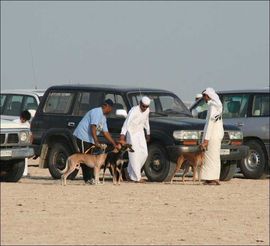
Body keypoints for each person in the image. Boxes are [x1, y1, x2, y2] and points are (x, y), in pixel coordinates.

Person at [73, 99, 118, 183]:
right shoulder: (97, 112)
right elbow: (93, 127)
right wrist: (96, 141)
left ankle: (92, 178)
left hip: (90, 139)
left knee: (91, 159)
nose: (111, 110)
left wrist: (114, 143)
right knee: (85, 158)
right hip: (83, 137)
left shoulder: (104, 118)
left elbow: (105, 132)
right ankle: (88, 179)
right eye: (111, 108)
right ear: (106, 106)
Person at [119, 96, 151, 183]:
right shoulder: (134, 110)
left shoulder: (147, 110)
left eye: (146, 106)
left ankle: (128, 170)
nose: (144, 108)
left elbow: (146, 121)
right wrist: (122, 134)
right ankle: (137, 177)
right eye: (143, 106)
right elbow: (127, 122)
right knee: (134, 154)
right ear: (140, 103)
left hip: (140, 132)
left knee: (144, 153)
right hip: (131, 133)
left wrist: (148, 132)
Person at [200, 88, 224, 185]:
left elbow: (210, 123)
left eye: (204, 96)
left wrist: (206, 139)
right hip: (215, 134)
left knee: (211, 157)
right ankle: (211, 178)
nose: (203, 98)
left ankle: (212, 178)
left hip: (213, 135)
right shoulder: (216, 105)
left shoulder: (213, 107)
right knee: (211, 157)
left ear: (208, 96)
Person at [13, 110, 32, 176]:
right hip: (15, 143)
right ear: (21, 117)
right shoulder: (15, 122)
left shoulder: (27, 124)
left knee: (25, 158)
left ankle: (24, 173)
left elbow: (30, 134)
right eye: (23, 119)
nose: (24, 121)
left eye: (25, 120)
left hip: (24, 144)